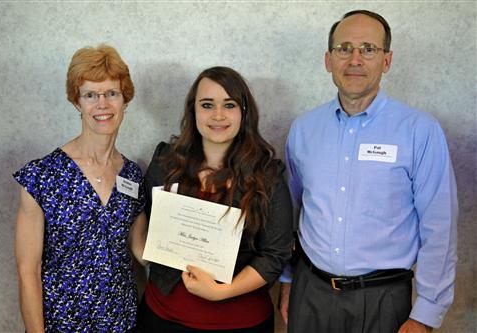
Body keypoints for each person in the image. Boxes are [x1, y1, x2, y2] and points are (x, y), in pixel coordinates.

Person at [279, 10, 458, 333]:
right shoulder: (304, 129)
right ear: (328, 60)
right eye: (344, 48)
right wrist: (288, 280)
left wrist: (425, 315)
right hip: (310, 293)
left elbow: (439, 227)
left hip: (383, 301)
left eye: (368, 49)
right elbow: (291, 213)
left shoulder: (420, 131)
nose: (355, 59)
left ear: (386, 61)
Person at [137, 66, 293, 332]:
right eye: (207, 104)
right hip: (161, 318)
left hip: (241, 323)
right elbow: (144, 219)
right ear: (193, 110)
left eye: (229, 105)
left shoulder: (267, 175)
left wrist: (222, 291)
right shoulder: (165, 162)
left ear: (244, 112)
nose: (218, 115)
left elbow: (275, 254)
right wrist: (144, 253)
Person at [14, 45, 148, 332]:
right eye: (90, 95)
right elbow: (28, 271)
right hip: (60, 324)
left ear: (125, 99)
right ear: (77, 102)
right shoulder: (41, 176)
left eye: (111, 93)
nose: (102, 104)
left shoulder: (133, 176)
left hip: (122, 322)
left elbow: (141, 250)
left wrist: (194, 246)